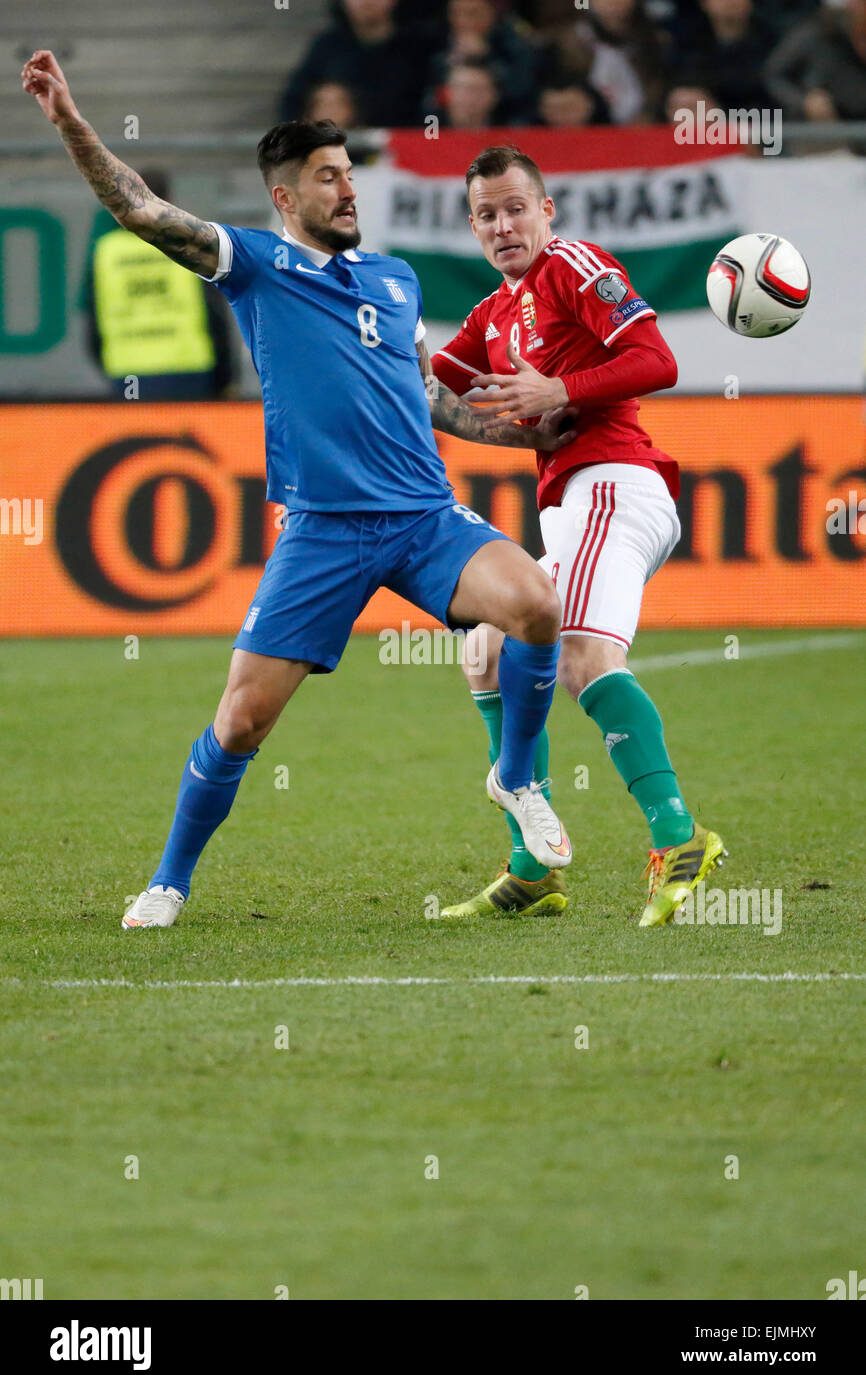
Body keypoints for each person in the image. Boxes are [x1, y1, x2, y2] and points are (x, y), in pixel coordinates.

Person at [22, 51, 575, 930]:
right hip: (323, 531)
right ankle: (169, 881)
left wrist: (518, 430)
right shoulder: (254, 264)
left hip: (425, 519)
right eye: (327, 178)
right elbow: (140, 207)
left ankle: (516, 777)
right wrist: (70, 122)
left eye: (349, 174)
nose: (347, 191)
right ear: (287, 199)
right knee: (241, 725)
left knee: (539, 607)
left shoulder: (397, 280)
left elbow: (429, 398)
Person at [431, 146, 726, 925]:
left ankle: (681, 836)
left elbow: (655, 360)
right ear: (472, 226)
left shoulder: (573, 265)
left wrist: (563, 388)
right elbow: (438, 389)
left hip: (614, 483)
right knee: (486, 649)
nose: (503, 225)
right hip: (571, 498)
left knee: (582, 655)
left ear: (545, 210)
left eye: (515, 207)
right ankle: (533, 868)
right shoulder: (491, 315)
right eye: (487, 215)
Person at [80, 168, 235, 402]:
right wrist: (226, 377)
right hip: (189, 369)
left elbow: (93, 319)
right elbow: (214, 313)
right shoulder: (188, 242)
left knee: (143, 438)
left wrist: (107, 364)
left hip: (127, 371)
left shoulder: (105, 251)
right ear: (167, 201)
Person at [279, 0, 438, 128]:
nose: (366, 2)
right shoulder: (327, 46)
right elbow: (294, 100)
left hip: (405, 153)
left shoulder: (420, 47)